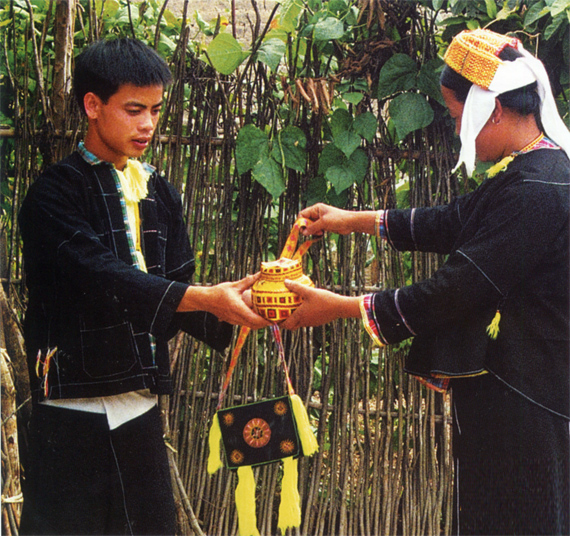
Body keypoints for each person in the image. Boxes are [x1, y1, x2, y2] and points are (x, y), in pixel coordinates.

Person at [282, 29, 570, 535]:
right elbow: (457, 220)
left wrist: (338, 306)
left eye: (458, 117)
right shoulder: (537, 167)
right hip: (521, 390)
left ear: (491, 110)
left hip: (525, 401)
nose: (459, 131)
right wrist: (351, 220)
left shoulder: (537, 189)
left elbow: (457, 290)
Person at [18, 38, 269, 535]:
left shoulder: (159, 191)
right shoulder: (53, 194)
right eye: (134, 110)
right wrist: (204, 298)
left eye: (155, 110)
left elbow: (175, 289)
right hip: (71, 409)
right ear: (93, 105)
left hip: (141, 408)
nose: (148, 124)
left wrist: (246, 303)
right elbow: (101, 277)